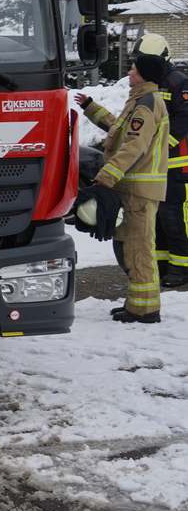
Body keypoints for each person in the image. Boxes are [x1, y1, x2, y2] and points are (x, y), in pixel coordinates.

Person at [76, 53, 170, 323]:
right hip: (133, 188)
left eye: (134, 69)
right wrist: (92, 107)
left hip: (139, 190)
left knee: (139, 248)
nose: (129, 72)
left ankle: (145, 309)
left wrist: (106, 176)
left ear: (145, 74)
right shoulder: (141, 100)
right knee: (131, 247)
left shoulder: (147, 103)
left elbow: (134, 146)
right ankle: (138, 305)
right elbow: (120, 130)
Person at [132, 33, 188, 287]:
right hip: (154, 165)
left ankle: (182, 268)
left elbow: (184, 119)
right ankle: (162, 265)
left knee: (174, 217)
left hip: (177, 164)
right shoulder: (146, 84)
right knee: (157, 218)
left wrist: (164, 145)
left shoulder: (178, 82)